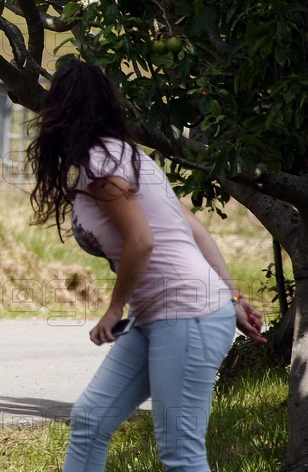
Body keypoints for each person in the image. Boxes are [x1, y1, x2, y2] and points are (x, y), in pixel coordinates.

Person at [26, 59, 267, 471]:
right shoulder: (125, 157)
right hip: (164, 315)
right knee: (91, 419)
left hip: (187, 315)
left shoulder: (105, 166)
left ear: (63, 111)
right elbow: (193, 230)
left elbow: (142, 241)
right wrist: (233, 297)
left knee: (180, 452)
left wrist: (114, 308)